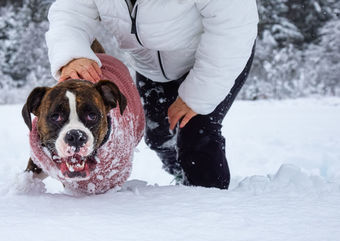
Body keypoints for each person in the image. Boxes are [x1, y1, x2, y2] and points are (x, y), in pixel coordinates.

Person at [44, 0, 258, 189]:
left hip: (218, 59)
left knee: (197, 135)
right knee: (158, 136)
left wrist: (197, 96)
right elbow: (71, 13)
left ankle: (210, 208)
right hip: (153, 68)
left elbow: (233, 29)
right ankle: (181, 175)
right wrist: (72, 54)